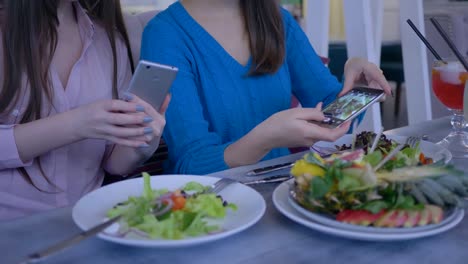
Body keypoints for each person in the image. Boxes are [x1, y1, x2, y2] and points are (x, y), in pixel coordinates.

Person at [141, 0, 391, 175]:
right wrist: (264, 139)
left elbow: (331, 113)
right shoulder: (163, 34)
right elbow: (191, 164)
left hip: (282, 192)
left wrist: (355, 92)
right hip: (207, 207)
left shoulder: (279, 20)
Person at [0, 0, 169, 220]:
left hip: (89, 223)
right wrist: (76, 124)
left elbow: (114, 163)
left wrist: (142, 142)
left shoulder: (108, 40)